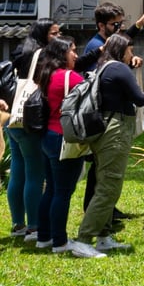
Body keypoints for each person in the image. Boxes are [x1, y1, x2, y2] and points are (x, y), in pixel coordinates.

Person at [74, 34, 144, 251]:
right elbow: (141, 99)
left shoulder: (105, 67)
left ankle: (103, 236)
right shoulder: (119, 68)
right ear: (121, 50)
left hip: (105, 130)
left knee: (105, 183)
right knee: (109, 187)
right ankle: (83, 239)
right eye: (130, 50)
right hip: (114, 131)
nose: (132, 54)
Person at [33, 37, 102, 257]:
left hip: (48, 136)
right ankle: (60, 242)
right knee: (63, 193)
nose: (76, 55)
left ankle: (44, 237)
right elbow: (92, 96)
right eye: (72, 51)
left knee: (51, 189)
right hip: (65, 137)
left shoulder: (46, 75)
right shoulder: (70, 77)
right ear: (62, 53)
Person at [5, 19, 58, 242]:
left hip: (14, 118)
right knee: (35, 173)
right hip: (31, 120)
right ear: (43, 35)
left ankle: (18, 223)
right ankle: (34, 226)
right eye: (54, 33)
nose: (57, 36)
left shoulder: (21, 50)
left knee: (18, 171)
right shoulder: (42, 55)